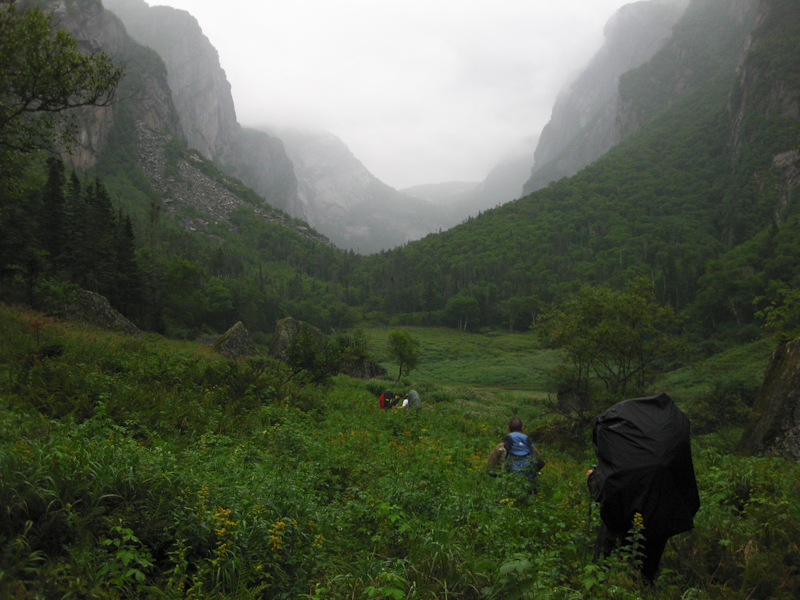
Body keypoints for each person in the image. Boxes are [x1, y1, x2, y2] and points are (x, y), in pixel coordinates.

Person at [587, 393, 700, 583]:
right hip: (659, 519)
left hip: (624, 525)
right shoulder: (663, 458)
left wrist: (591, 479)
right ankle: (645, 586)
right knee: (649, 565)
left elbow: (605, 494)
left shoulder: (622, 465)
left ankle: (611, 586)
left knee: (610, 563)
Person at [502, 417, 542, 493]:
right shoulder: (530, 446)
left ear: (508, 428)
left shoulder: (503, 446)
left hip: (510, 486)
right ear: (522, 428)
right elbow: (541, 462)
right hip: (528, 485)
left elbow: (489, 468)